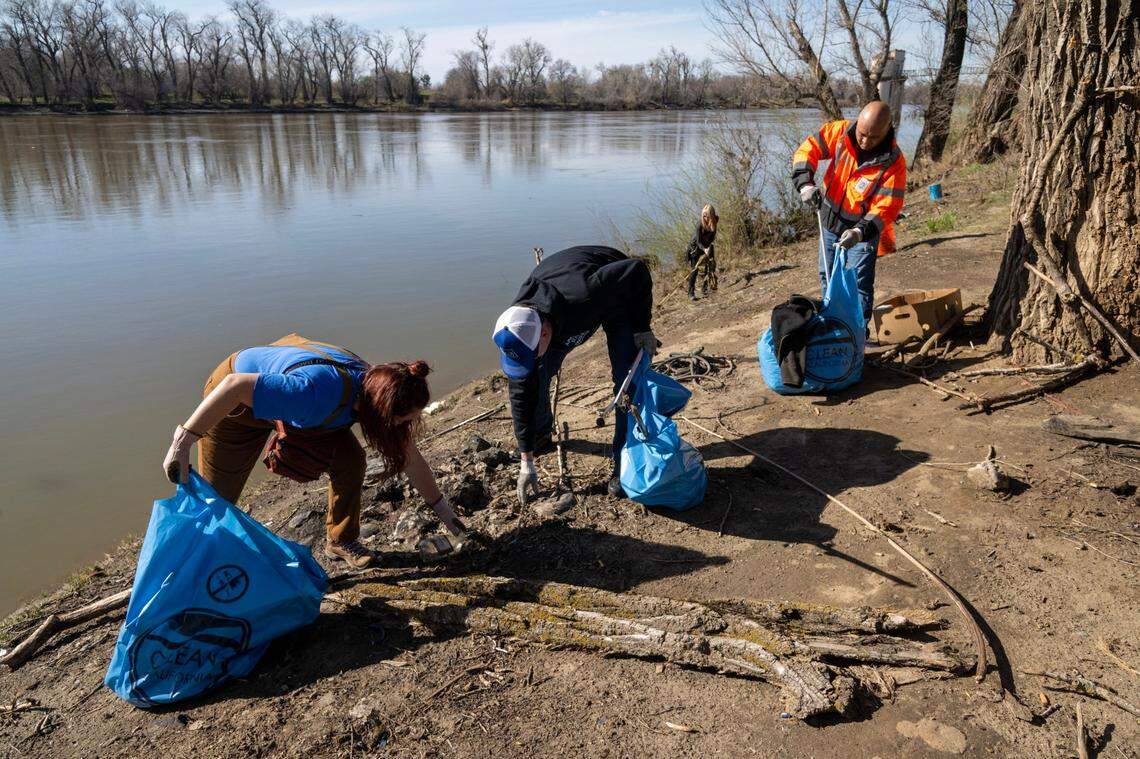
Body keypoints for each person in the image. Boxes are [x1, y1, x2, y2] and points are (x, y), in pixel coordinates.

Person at [161, 333, 466, 569]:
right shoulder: (314, 393)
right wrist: (184, 441)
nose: (405, 427)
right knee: (218, 497)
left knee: (350, 459)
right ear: (381, 412)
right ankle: (189, 562)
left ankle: (342, 540)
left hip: (291, 396)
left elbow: (410, 456)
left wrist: (444, 511)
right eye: (402, 420)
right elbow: (234, 385)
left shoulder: (376, 388)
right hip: (235, 401)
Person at [492, 246, 657, 505]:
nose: (529, 361)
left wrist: (642, 327)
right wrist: (527, 458)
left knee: (627, 382)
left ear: (545, 334)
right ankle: (541, 435)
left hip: (616, 293)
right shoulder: (520, 324)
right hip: (564, 316)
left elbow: (636, 268)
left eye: (532, 353)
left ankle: (625, 462)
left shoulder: (586, 292)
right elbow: (520, 391)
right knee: (537, 372)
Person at [792, 100, 907, 325]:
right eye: (862, 133)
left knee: (858, 283)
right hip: (830, 221)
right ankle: (831, 324)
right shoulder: (841, 132)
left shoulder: (894, 162)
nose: (864, 141)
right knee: (828, 275)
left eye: (873, 137)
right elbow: (808, 149)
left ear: (887, 130)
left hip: (862, 232)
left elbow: (887, 206)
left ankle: (858, 334)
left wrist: (859, 232)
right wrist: (805, 183)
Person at [685, 204, 719, 301]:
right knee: (694, 270)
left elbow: (713, 234)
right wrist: (704, 249)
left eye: (707, 215)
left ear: (712, 215)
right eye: (704, 215)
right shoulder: (699, 224)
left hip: (707, 245)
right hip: (695, 248)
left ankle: (705, 289)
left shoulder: (716, 219)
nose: (705, 217)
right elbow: (698, 241)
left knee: (710, 267)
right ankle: (690, 293)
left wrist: (709, 247)